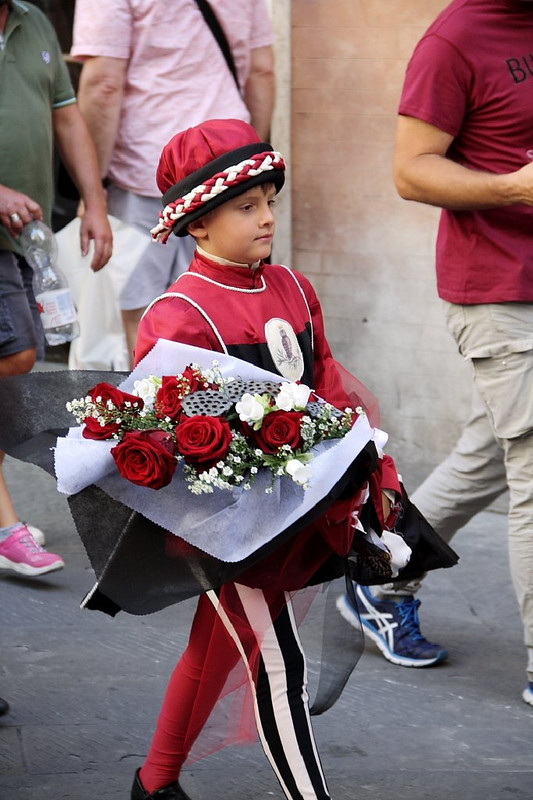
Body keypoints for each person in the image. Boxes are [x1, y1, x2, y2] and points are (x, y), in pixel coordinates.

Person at [127, 117, 408, 800]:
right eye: (246, 207)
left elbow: (329, 384)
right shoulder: (178, 314)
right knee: (279, 664)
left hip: (299, 511)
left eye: (270, 202)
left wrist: (372, 464)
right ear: (197, 223)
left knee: (218, 645)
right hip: (228, 527)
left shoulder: (293, 287)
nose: (266, 218)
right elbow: (169, 439)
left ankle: (153, 782)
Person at [336, 0, 533, 706]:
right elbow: (412, 171)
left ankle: (376, 578)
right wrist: (514, 184)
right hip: (502, 289)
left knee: (488, 456)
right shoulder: (455, 37)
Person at [70, 0, 276, 366]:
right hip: (231, 166)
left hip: (147, 171)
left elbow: (104, 82)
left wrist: (93, 184)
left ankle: (155, 419)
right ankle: (216, 421)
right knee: (222, 305)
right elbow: (261, 71)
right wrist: (248, 171)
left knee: (140, 318)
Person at [0, 0, 112, 575]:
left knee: (19, 359)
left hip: (24, 236)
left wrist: (94, 202)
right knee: (15, 356)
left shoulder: (34, 21)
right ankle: (2, 525)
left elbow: (67, 118)